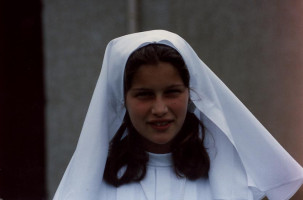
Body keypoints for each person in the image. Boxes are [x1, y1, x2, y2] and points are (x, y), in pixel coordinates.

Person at [53, 30, 303, 200]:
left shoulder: (238, 179)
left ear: (190, 93)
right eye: (144, 95)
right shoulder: (95, 184)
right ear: (122, 99)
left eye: (172, 92)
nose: (160, 109)